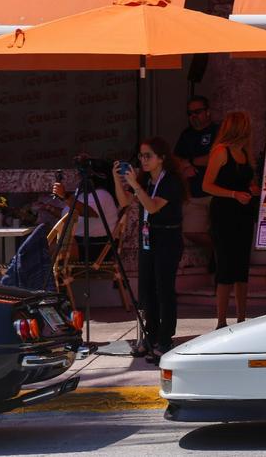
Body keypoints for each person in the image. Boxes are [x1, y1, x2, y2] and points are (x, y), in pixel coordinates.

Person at [114, 137, 186, 362]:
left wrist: (135, 185)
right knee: (147, 290)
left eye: (148, 156)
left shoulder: (170, 181)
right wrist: (119, 180)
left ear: (161, 158)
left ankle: (165, 338)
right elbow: (125, 202)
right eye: (141, 156)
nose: (143, 160)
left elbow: (152, 206)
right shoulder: (145, 180)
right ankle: (150, 335)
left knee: (164, 290)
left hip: (167, 237)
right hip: (148, 238)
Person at [202, 111, 260, 329]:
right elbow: (206, 185)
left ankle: (242, 318)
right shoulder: (220, 151)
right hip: (224, 214)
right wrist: (234, 194)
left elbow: (246, 182)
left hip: (243, 214)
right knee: (225, 267)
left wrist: (252, 189)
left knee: (241, 267)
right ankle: (221, 321)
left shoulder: (245, 152)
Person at [51, 159, 119, 259]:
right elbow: (67, 216)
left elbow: (87, 211)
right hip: (78, 243)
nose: (79, 178)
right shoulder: (82, 195)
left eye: (82, 175)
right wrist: (47, 208)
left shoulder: (102, 195)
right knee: (46, 238)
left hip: (94, 246)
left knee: (48, 248)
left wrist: (65, 196)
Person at [174, 96, 219, 249]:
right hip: (194, 194)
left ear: (208, 112)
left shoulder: (218, 131)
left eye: (197, 112)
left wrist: (191, 162)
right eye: (190, 113)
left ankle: (222, 257)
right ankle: (219, 252)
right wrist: (185, 167)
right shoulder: (186, 135)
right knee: (191, 231)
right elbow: (175, 159)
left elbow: (216, 158)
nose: (193, 116)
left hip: (216, 193)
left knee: (221, 231)